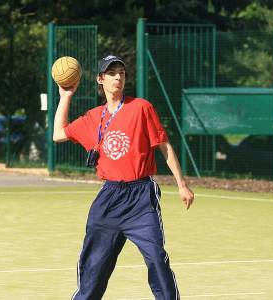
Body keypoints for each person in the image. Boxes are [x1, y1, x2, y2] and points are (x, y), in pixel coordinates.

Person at [53, 54, 194, 300]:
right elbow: (58, 134)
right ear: (100, 79)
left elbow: (164, 146)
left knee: (156, 258)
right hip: (109, 197)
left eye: (122, 72)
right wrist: (66, 97)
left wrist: (182, 185)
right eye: (111, 73)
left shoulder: (141, 107)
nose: (118, 77)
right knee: (94, 266)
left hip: (140, 197)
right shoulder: (93, 117)